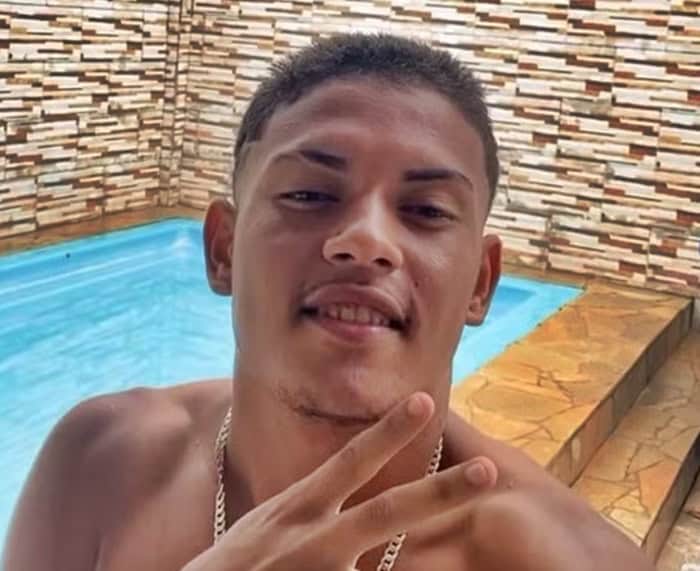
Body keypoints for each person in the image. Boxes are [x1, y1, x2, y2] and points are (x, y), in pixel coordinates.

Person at [3, 34, 654, 571]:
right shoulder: (98, 464)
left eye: (427, 210)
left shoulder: (569, 560)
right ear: (223, 250)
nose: (366, 240)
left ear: (481, 285)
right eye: (309, 195)